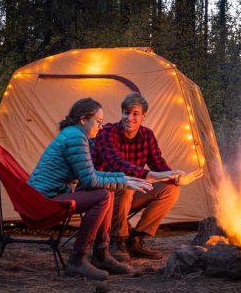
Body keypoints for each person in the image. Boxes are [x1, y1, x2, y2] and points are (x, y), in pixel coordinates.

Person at [27, 98, 152, 280]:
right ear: (84, 119)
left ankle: (101, 255)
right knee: (102, 195)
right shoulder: (76, 137)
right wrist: (123, 182)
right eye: (98, 122)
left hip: (49, 195)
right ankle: (77, 259)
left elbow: (91, 173)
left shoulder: (75, 134)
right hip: (43, 200)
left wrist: (123, 178)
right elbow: (90, 179)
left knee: (105, 192)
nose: (101, 127)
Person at [92, 92, 204, 261]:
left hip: (129, 191)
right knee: (127, 185)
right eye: (126, 113)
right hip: (103, 192)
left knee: (171, 189)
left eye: (135, 114)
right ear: (121, 113)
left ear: (143, 116)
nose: (130, 118)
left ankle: (136, 239)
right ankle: (117, 240)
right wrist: (150, 175)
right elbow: (117, 164)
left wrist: (176, 178)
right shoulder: (107, 133)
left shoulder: (147, 135)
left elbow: (158, 163)